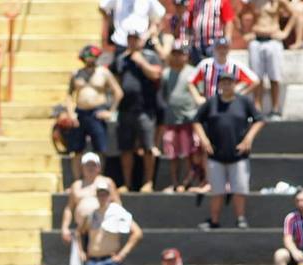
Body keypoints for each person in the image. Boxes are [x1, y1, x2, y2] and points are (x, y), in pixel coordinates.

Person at [194, 72, 264, 230]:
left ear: (235, 84)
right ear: (219, 85)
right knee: (217, 190)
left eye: (230, 82)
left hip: (238, 155)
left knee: (239, 189)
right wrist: (204, 140)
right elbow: (197, 120)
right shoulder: (211, 102)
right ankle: (214, 220)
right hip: (216, 154)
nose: (227, 85)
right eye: (223, 82)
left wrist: (249, 138)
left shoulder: (244, 101)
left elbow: (259, 120)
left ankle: (240, 218)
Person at [112, 31, 162, 192]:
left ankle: (148, 182)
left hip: (145, 109)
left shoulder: (150, 56)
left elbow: (156, 74)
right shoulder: (121, 59)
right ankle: (127, 183)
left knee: (148, 147)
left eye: (135, 39)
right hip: (125, 109)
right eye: (130, 39)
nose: (133, 42)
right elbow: (117, 81)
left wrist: (141, 62)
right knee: (126, 148)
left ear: (141, 40)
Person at [64, 44, 122, 178]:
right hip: (80, 112)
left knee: (100, 148)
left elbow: (118, 92)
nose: (89, 59)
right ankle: (77, 179)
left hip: (97, 112)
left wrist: (111, 112)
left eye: (92, 57)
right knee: (76, 149)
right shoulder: (76, 73)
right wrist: (70, 113)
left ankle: (99, 177)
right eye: (87, 57)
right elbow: (69, 95)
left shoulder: (103, 72)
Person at [159, 40, 203, 193]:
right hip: (171, 120)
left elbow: (200, 94)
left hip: (188, 119)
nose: (177, 57)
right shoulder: (166, 74)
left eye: (180, 54)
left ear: (186, 55)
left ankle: (187, 182)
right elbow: (164, 95)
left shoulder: (193, 72)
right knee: (172, 153)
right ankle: (175, 182)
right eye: (175, 54)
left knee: (188, 153)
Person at [243, 0, 299, 118]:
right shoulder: (252, 2)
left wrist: (285, 32)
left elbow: (295, 13)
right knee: (256, 78)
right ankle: (257, 109)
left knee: (275, 76)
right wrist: (244, 33)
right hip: (256, 40)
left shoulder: (278, 1)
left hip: (273, 40)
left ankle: (275, 109)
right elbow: (237, 15)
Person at [190, 36, 256, 101]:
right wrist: (198, 98)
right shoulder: (205, 64)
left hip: (229, 105)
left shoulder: (236, 65)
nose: (222, 51)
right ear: (214, 49)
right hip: (210, 104)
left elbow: (254, 81)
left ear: (228, 49)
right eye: (219, 48)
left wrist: (239, 96)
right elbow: (190, 81)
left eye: (225, 48)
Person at [100, 0, 165, 50]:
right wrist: (110, 23)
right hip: (121, 42)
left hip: (141, 43)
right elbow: (102, 7)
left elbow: (159, 17)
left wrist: (146, 35)